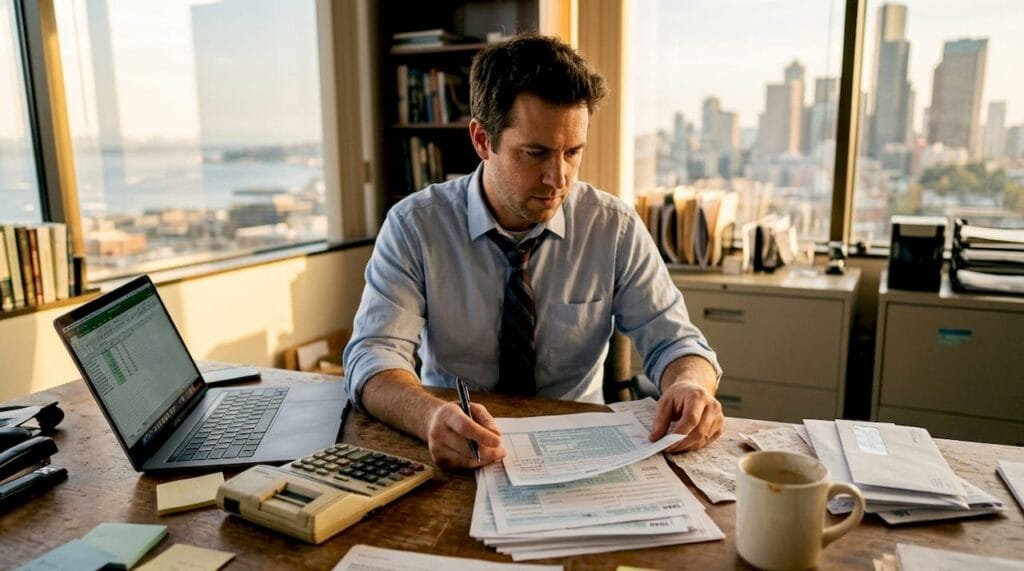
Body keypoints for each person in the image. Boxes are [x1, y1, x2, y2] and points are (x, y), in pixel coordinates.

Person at [344, 34, 723, 470]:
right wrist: (429, 415)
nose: (557, 178)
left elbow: (678, 342)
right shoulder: (416, 227)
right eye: (535, 153)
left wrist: (691, 384)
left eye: (573, 152)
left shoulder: (612, 227)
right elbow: (372, 357)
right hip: (456, 447)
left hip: (581, 453)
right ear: (482, 140)